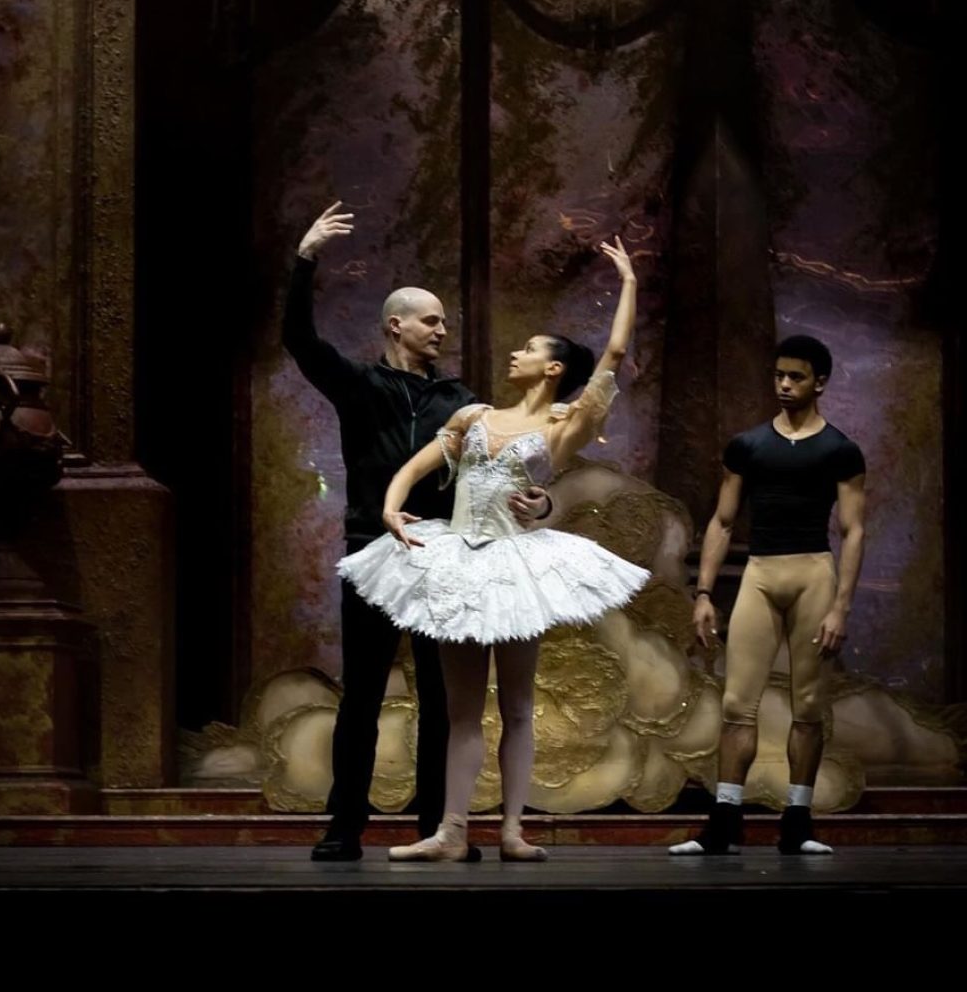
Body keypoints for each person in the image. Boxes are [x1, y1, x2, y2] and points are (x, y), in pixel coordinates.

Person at [338, 236, 651, 862]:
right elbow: (417, 463)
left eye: (530, 348)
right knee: (458, 709)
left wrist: (629, 282)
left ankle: (511, 829)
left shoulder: (562, 426)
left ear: (554, 369)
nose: (517, 351)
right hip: (460, 557)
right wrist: (390, 504)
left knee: (516, 704)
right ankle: (452, 831)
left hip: (514, 564)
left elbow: (613, 354)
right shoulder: (474, 416)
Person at [283, 203, 551, 862]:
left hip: (442, 556)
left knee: (443, 698)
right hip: (373, 552)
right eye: (432, 320)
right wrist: (305, 259)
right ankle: (345, 825)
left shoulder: (457, 400)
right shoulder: (360, 384)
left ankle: (440, 825)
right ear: (395, 325)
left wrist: (532, 504)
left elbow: (489, 470)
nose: (443, 328)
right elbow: (299, 341)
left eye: (445, 320)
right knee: (364, 694)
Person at [670, 335, 866, 856]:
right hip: (760, 571)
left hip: (813, 574)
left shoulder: (840, 450)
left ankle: (797, 823)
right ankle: (725, 821)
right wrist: (704, 592)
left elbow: (854, 530)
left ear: (819, 382)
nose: (783, 384)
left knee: (807, 704)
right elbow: (723, 520)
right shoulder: (749, 445)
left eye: (795, 376)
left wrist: (841, 605)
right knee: (737, 703)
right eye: (778, 375)